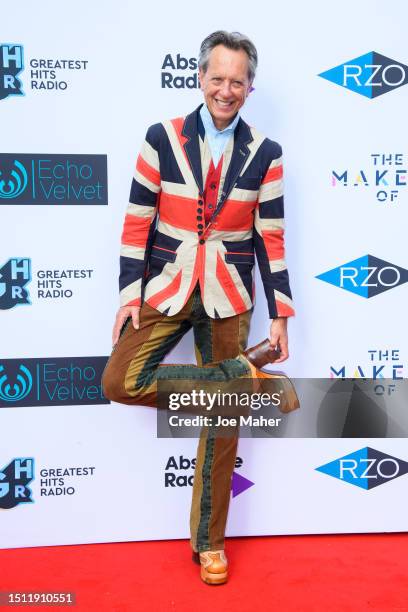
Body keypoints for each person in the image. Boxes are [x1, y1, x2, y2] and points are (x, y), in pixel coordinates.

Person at [102, 30, 295, 586]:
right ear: (201, 78)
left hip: (229, 295)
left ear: (250, 87)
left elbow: (271, 239)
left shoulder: (267, 154)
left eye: (238, 81)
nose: (226, 90)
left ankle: (210, 543)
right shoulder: (161, 137)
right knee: (119, 380)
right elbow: (137, 221)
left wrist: (279, 313)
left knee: (223, 417)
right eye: (218, 78)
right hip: (164, 285)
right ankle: (244, 377)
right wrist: (127, 296)